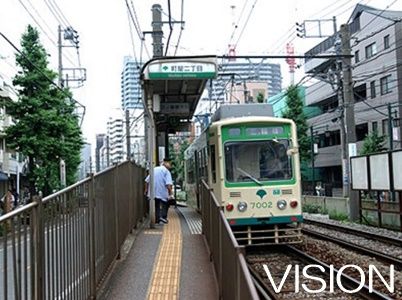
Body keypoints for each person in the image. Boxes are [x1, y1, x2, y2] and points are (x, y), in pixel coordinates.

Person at [145, 158, 174, 224]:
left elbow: (147, 180)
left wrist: (146, 190)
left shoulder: (154, 169)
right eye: (170, 163)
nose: (170, 165)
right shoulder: (166, 171)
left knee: (156, 205)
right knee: (165, 204)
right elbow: (168, 184)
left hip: (153, 192)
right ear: (165, 163)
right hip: (162, 192)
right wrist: (170, 193)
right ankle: (162, 218)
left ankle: (157, 219)